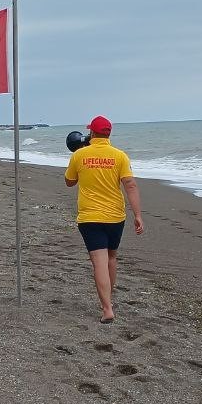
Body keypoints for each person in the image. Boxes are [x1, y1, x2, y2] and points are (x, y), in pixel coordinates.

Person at [64, 115, 143, 323]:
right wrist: (138, 215)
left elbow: (69, 182)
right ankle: (109, 299)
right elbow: (130, 185)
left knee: (98, 262)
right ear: (109, 133)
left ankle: (107, 308)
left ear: (91, 133)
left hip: (90, 216)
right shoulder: (120, 156)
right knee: (111, 258)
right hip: (115, 216)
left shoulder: (80, 155)